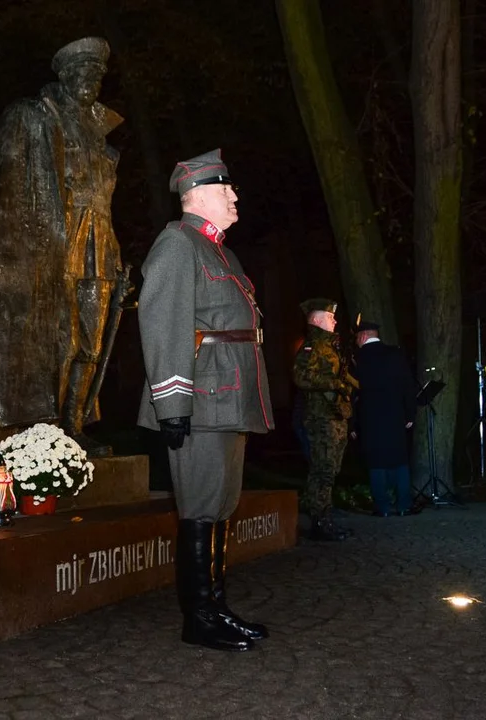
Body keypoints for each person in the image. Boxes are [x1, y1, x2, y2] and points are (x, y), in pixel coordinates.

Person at [137, 150, 273, 652]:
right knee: (198, 508)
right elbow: (163, 327)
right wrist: (173, 405)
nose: (234, 196)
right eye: (225, 190)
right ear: (195, 196)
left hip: (228, 399)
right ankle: (198, 618)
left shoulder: (221, 253)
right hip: (201, 400)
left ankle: (216, 607)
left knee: (219, 506)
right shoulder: (178, 245)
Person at [0, 37, 126, 456]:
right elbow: (1, 187)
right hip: (54, 244)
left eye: (98, 73)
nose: (91, 79)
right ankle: (46, 424)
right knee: (62, 338)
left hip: (99, 246)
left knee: (91, 341)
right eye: (83, 72)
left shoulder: (100, 133)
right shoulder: (36, 118)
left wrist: (117, 255)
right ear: (65, 76)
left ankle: (74, 425)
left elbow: (104, 202)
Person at [293, 298, 356, 542]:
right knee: (322, 471)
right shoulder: (312, 347)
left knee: (330, 470)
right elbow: (301, 377)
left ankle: (325, 518)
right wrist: (334, 384)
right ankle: (320, 522)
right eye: (330, 317)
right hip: (321, 419)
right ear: (318, 320)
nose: (335, 320)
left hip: (334, 415)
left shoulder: (330, 347)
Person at [351, 319, 419, 516]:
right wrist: (409, 413)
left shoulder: (357, 359)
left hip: (370, 419)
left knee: (376, 462)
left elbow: (353, 393)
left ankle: (382, 507)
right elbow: (407, 385)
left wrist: (352, 423)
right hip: (395, 415)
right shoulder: (396, 354)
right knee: (399, 459)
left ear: (362, 336)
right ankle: (404, 505)